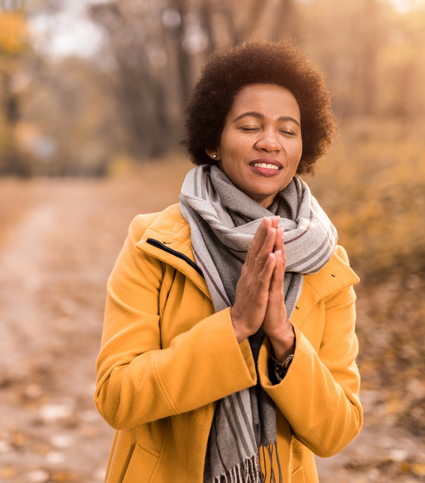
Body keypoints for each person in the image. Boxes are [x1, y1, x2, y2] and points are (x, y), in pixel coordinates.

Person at [94, 41, 362, 483]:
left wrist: (283, 338)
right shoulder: (152, 242)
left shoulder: (325, 262)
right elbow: (117, 396)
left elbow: (337, 430)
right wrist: (234, 325)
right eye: (249, 125)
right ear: (213, 142)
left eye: (288, 130)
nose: (270, 142)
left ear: (303, 147)